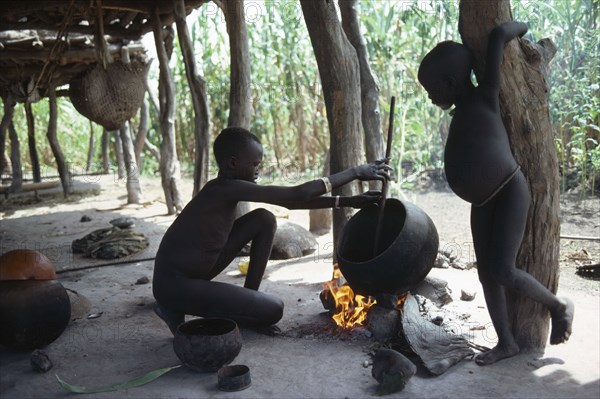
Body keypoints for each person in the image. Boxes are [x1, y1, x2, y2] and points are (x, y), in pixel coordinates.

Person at [417, 21, 574, 365]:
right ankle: (506, 342)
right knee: (486, 274)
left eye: (431, 90)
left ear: (451, 83)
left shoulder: (485, 96)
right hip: (483, 201)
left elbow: (498, 34)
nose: (430, 98)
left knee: (502, 269)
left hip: (508, 191)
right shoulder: (463, 110)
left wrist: (523, 27)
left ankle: (558, 305)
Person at [153, 127, 391, 334]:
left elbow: (293, 202)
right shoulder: (224, 189)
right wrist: (355, 172)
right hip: (175, 283)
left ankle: (248, 300)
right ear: (233, 163)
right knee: (273, 309)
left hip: (194, 273)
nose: (258, 169)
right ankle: (175, 305)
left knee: (264, 219)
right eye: (254, 164)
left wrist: (349, 201)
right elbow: (298, 195)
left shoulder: (228, 187)